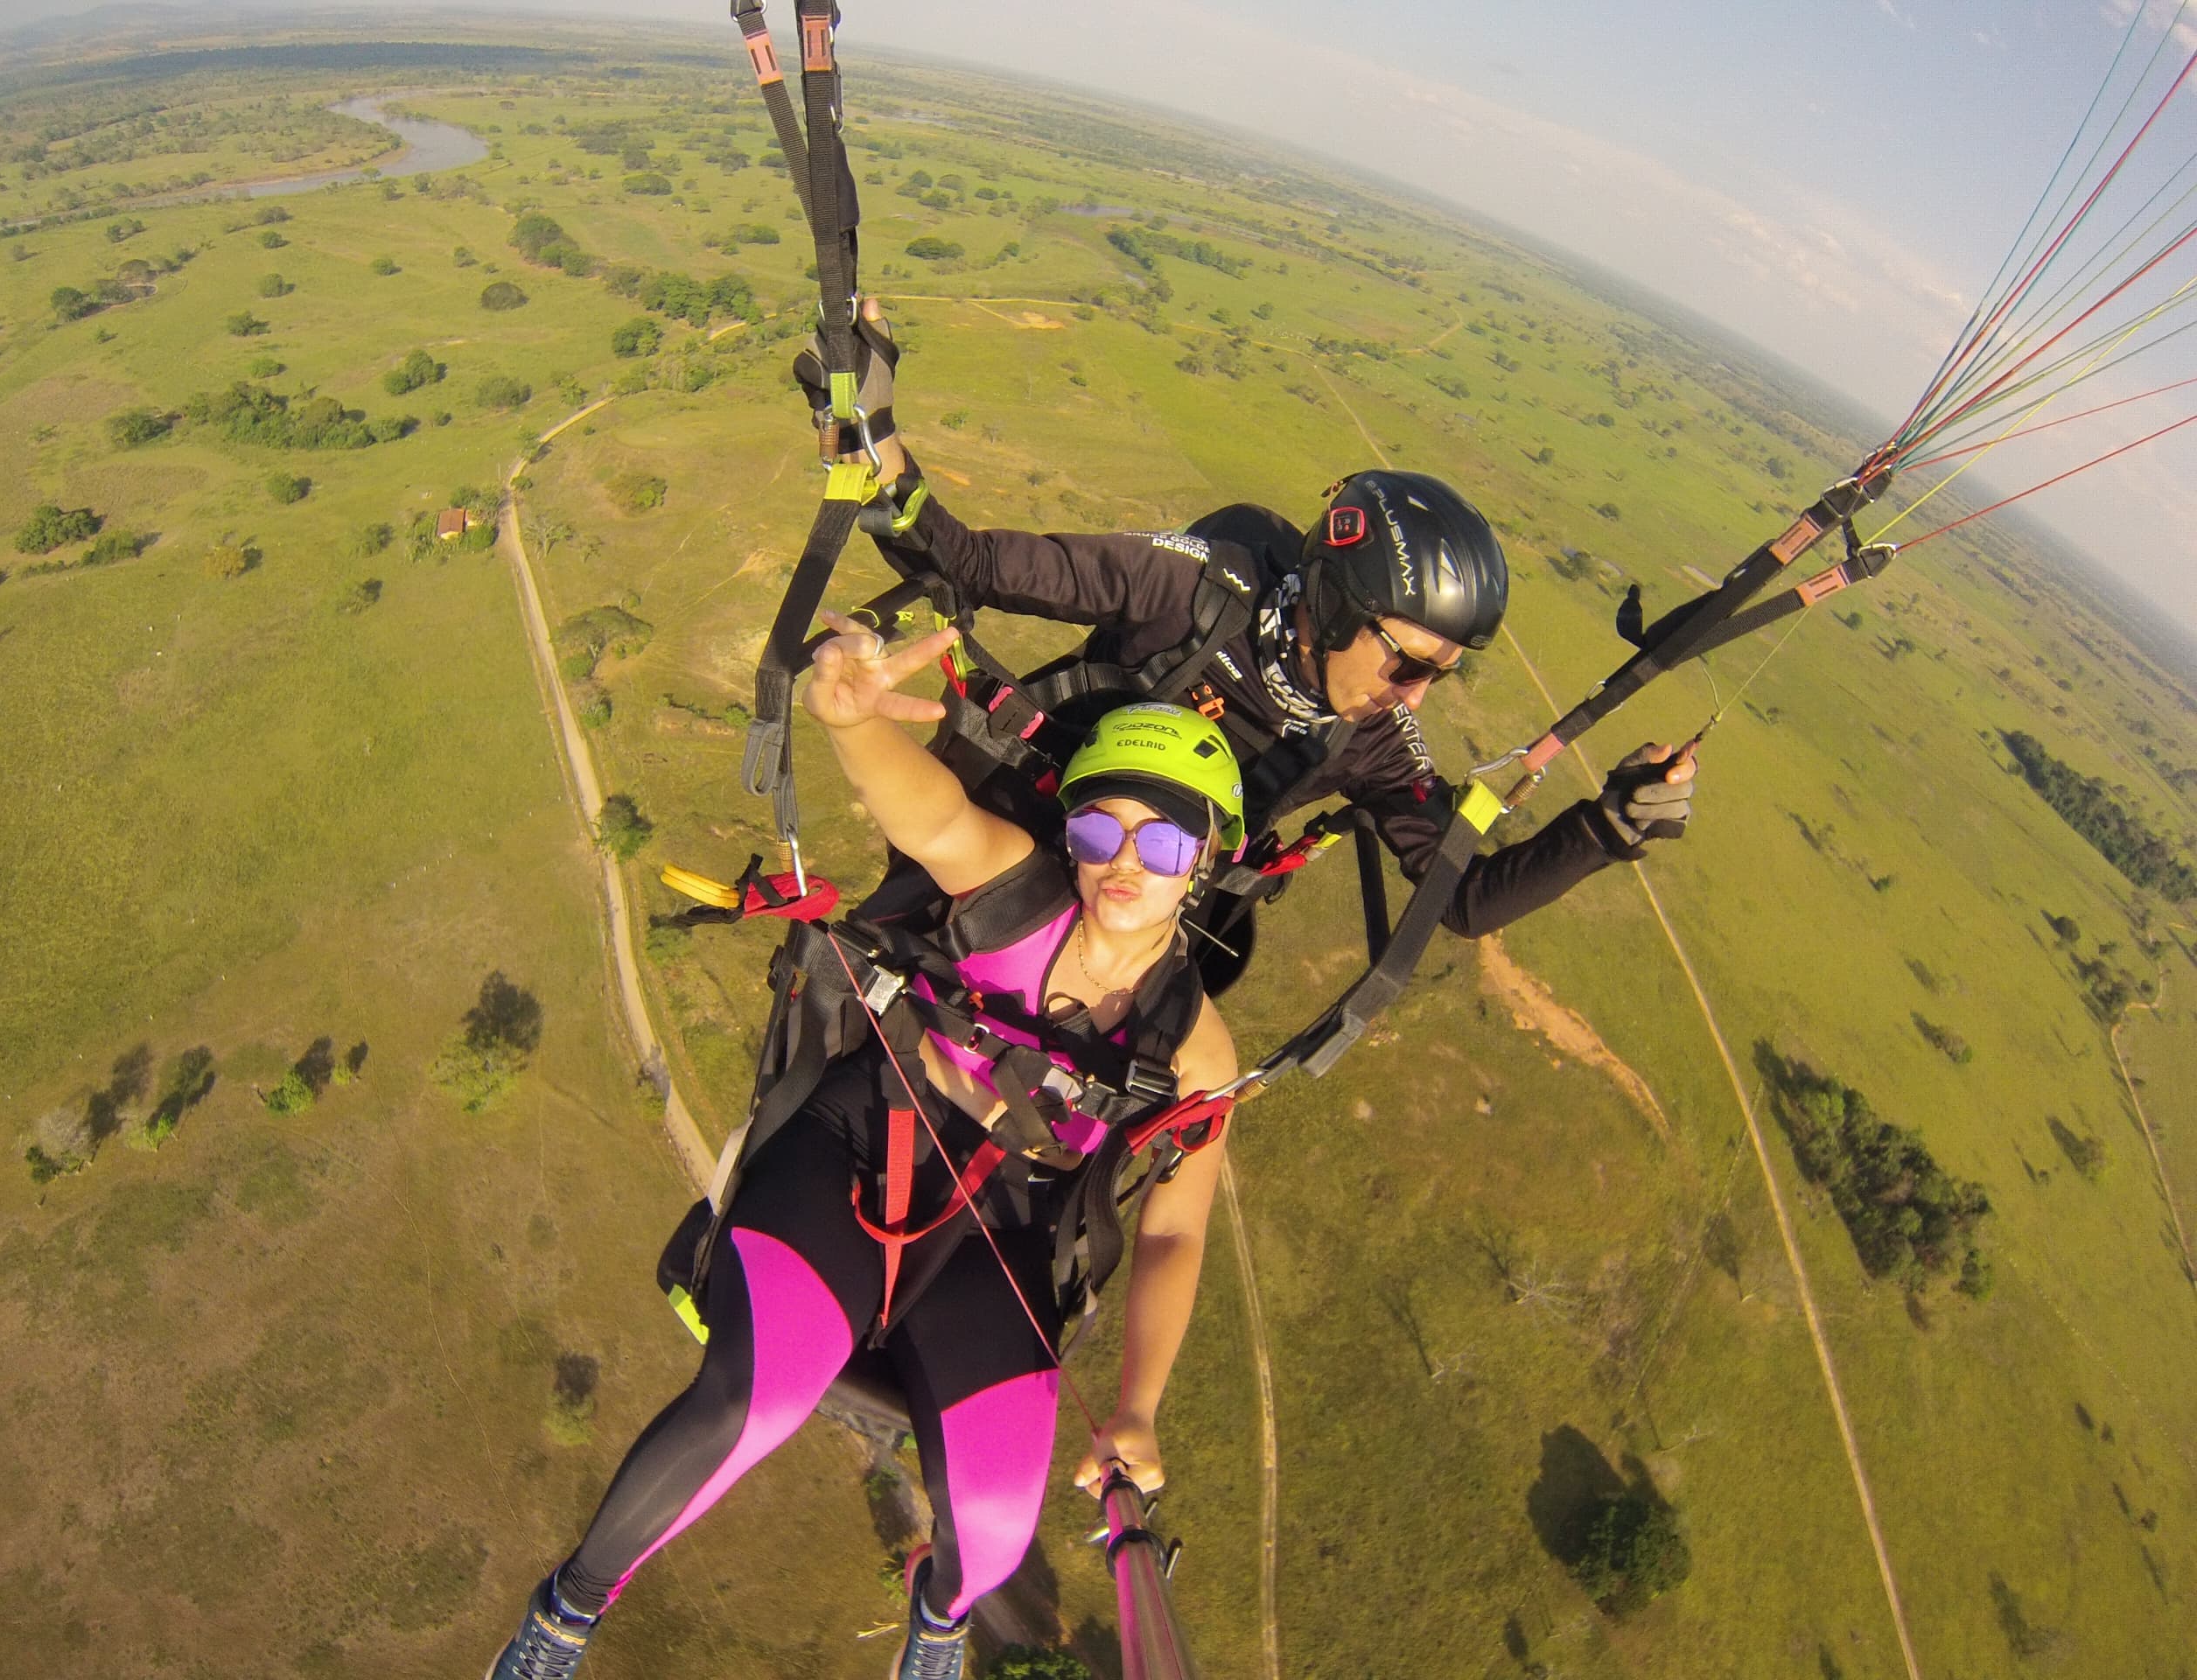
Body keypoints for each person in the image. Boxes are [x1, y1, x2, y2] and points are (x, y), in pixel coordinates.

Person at [484, 617, 1244, 1680]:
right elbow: (929, 817)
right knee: (756, 1399)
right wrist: (851, 723)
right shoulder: (1016, 889)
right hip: (863, 1139)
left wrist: (1136, 1410)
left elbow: (1174, 1232)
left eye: (1161, 845)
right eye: (1097, 832)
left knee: (990, 1529)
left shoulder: (1196, 1052)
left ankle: (938, 1624)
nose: (1122, 865)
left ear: (1208, 860)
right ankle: (563, 1617)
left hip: (1003, 1239)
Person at [799, 302, 1698, 989]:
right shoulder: (1194, 586)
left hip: (1115, 945)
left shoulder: (1372, 740)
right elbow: (967, 566)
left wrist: (1607, 826)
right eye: (1409, 662)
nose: (1414, 695)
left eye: (1439, 676)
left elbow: (1457, 899)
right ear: (1341, 609)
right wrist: (870, 442)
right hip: (982, 849)